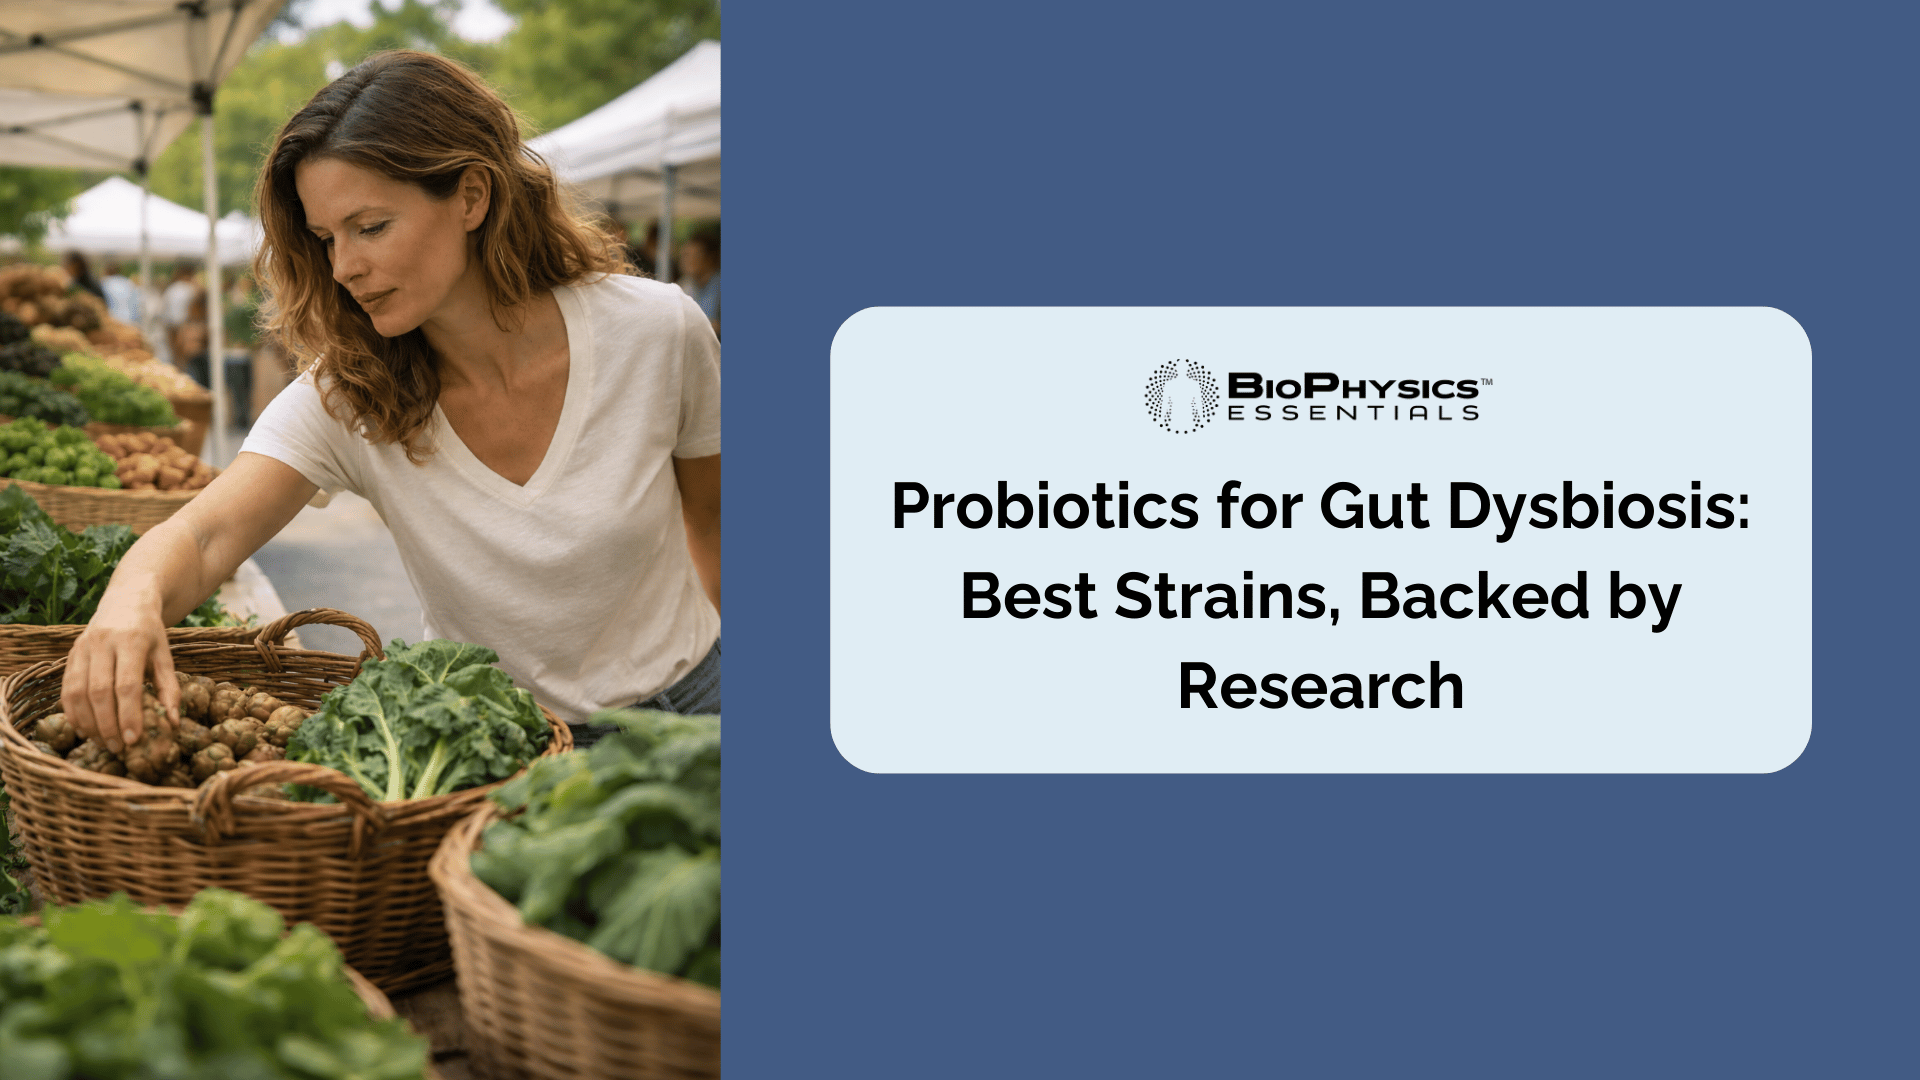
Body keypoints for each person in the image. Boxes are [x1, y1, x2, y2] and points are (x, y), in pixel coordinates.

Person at [61, 49, 722, 756]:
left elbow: (714, 517)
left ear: (472, 196)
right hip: (500, 750)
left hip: (695, 719)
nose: (343, 267)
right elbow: (202, 535)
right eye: (325, 239)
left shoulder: (657, 330)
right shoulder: (350, 393)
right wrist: (129, 598)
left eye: (370, 226)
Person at [679, 223, 720, 341]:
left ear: (710, 257)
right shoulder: (684, 284)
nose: (688, 260)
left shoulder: (719, 285)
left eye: (695, 255)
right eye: (686, 255)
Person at [99, 260, 141, 324]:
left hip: (112, 322)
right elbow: (136, 304)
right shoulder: (127, 282)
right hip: (130, 321)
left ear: (106, 271)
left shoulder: (104, 283)